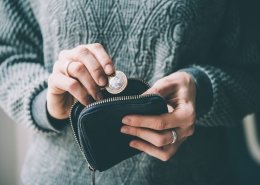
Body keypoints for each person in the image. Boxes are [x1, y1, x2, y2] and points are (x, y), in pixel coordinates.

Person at [0, 0, 260, 184]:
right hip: (56, 177)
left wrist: (201, 89)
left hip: (192, 176)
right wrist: (44, 101)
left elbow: (252, 71)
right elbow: (7, 53)